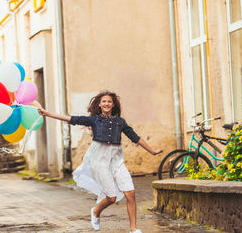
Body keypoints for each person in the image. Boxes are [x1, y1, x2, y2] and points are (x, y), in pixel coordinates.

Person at [32, 91, 163, 233]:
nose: (107, 104)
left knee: (130, 192)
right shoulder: (94, 120)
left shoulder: (120, 122)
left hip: (116, 161)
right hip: (99, 162)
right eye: (104, 102)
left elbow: (136, 137)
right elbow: (71, 119)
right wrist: (47, 113)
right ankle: (95, 212)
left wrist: (153, 151)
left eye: (109, 102)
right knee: (111, 198)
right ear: (99, 105)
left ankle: (133, 229)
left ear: (113, 105)